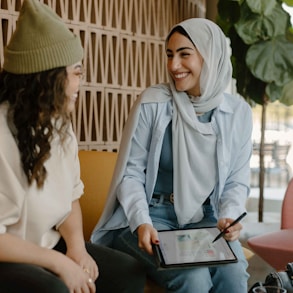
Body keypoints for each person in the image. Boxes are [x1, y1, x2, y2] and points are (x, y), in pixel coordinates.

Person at [91, 17, 252, 293]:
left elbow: (237, 181)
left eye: (184, 54)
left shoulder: (238, 112)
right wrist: (141, 222)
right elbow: (130, 174)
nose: (173, 65)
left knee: (234, 273)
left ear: (210, 56)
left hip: (207, 218)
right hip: (151, 217)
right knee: (194, 277)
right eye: (169, 55)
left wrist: (229, 216)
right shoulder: (153, 102)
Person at [0, 1, 145, 293]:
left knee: (127, 272)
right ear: (48, 78)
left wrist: (77, 250)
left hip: (49, 244)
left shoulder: (59, 126)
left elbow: (70, 200)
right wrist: (58, 262)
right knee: (55, 288)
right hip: (8, 257)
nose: (81, 82)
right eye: (76, 73)